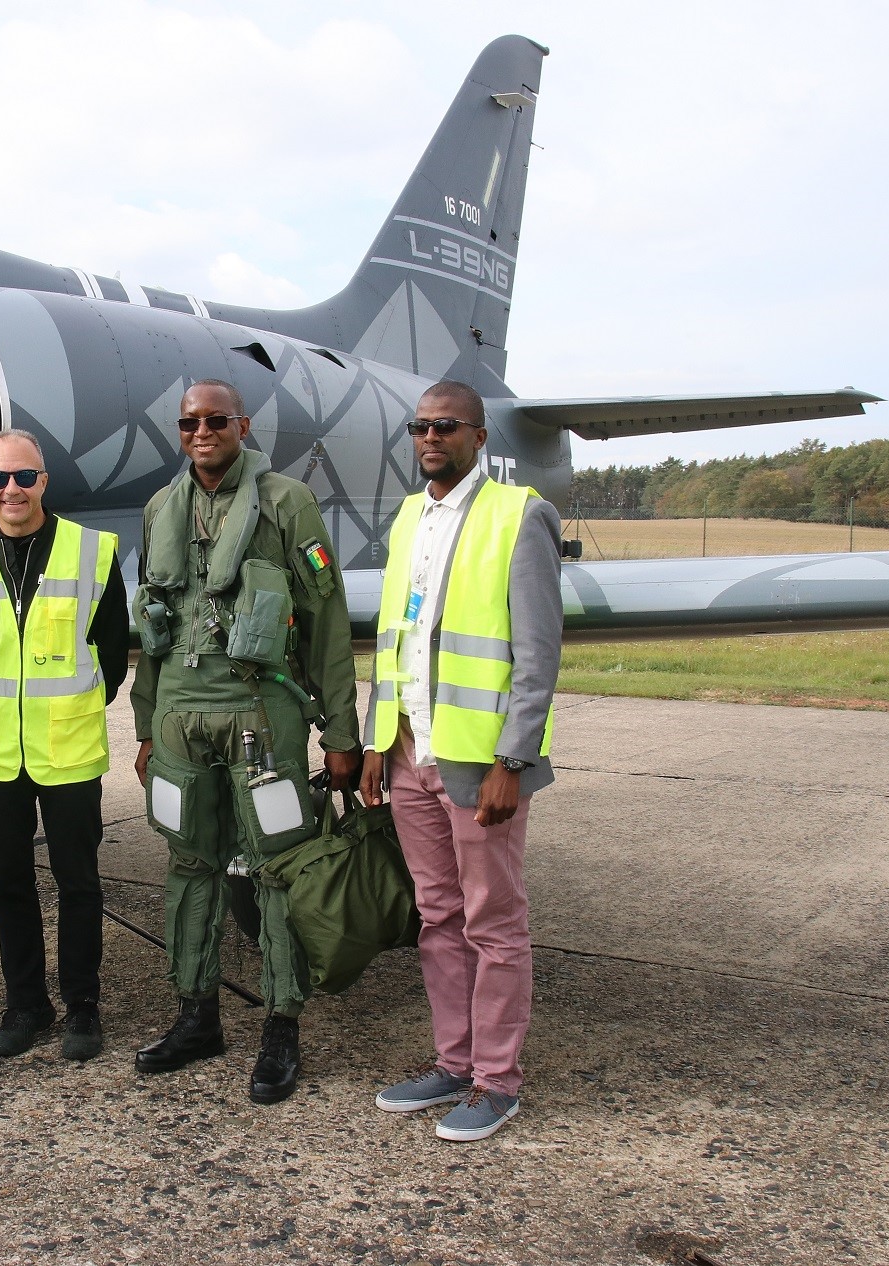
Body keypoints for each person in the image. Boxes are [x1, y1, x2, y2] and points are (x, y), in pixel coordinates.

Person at [130, 378, 362, 1105]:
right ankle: (196, 1015)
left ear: (242, 425)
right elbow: (153, 631)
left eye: (216, 420)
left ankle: (281, 1028)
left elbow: (326, 622)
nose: (203, 432)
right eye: (190, 422)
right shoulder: (161, 509)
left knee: (276, 867)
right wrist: (143, 724)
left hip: (262, 713)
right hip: (179, 714)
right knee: (188, 864)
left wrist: (343, 731)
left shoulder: (288, 503)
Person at [359, 379, 562, 1141]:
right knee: (437, 916)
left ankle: (498, 1081)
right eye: (420, 426)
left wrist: (516, 757)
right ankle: (453, 1063)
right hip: (411, 750)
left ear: (480, 437)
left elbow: (538, 654)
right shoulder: (411, 515)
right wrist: (379, 740)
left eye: (447, 426)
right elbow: (397, 638)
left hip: (480, 762)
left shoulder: (521, 515)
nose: (431, 437)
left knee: (493, 922)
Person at [0, 431, 129, 1061]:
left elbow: (112, 648)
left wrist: (68, 708)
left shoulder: (92, 551)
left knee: (79, 883)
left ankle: (82, 1007)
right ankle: (25, 1005)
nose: (11, 491)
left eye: (23, 477)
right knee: (9, 885)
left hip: (68, 749)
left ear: (43, 480)